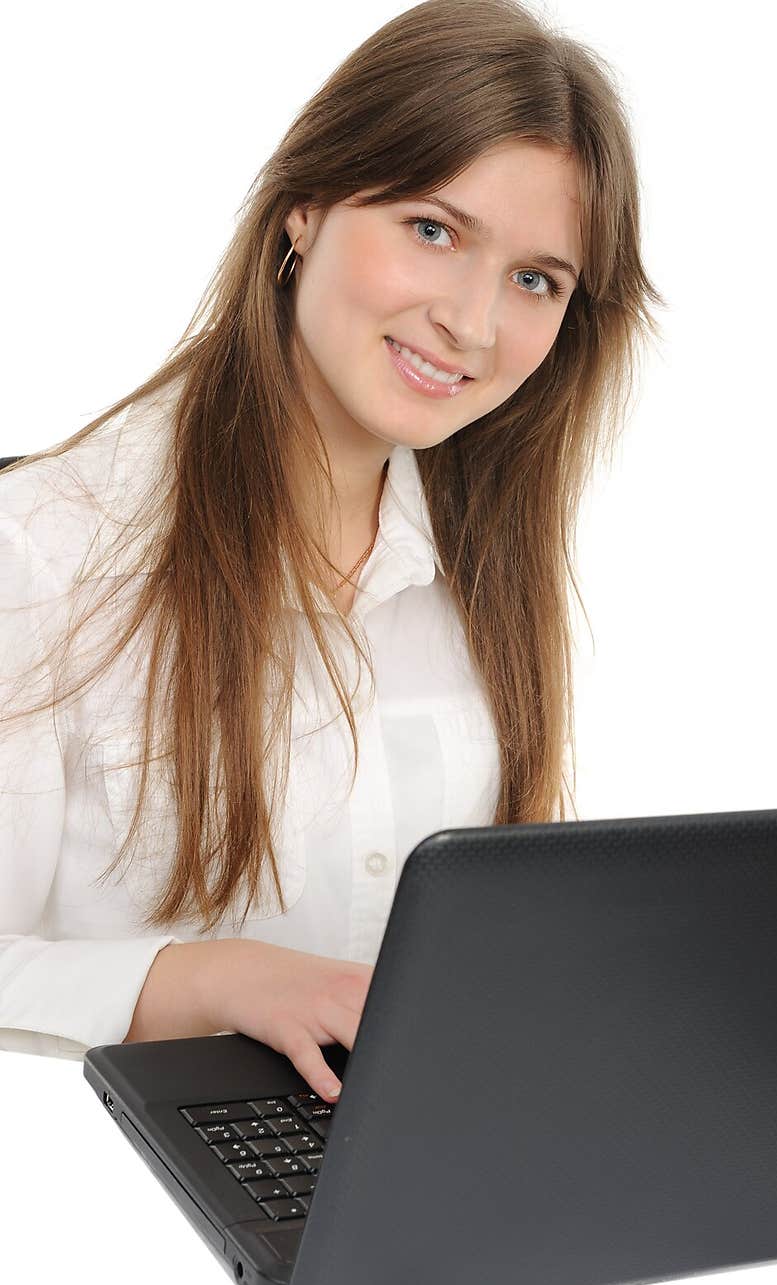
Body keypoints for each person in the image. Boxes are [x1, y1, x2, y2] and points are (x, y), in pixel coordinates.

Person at [0, 0, 665, 1101]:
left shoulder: (481, 571)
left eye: (535, 279)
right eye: (433, 230)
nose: (474, 324)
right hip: (102, 1230)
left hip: (408, 1197)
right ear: (304, 208)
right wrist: (209, 981)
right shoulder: (43, 551)